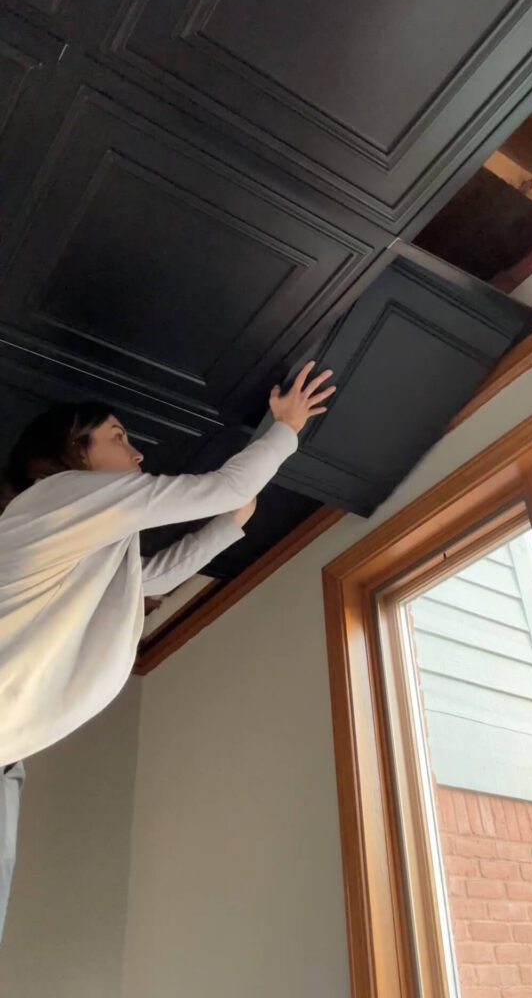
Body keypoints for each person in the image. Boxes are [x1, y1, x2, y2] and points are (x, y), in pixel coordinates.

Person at [0, 360, 335, 940]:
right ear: (69, 453)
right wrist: (284, 427)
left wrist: (224, 528)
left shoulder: (82, 536)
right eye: (119, 437)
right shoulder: (57, 498)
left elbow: (146, 583)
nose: (138, 455)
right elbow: (225, 487)